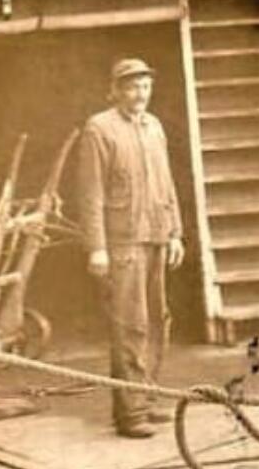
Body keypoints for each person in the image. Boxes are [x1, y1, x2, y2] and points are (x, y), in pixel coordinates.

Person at [76, 57, 184, 438]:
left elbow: (167, 184)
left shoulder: (153, 127)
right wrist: (97, 247)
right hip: (122, 241)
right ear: (116, 90)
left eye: (145, 86)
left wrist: (175, 232)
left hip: (156, 236)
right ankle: (131, 413)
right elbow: (90, 194)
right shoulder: (99, 129)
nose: (141, 94)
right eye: (133, 87)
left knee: (157, 319)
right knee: (130, 325)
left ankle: (146, 396)